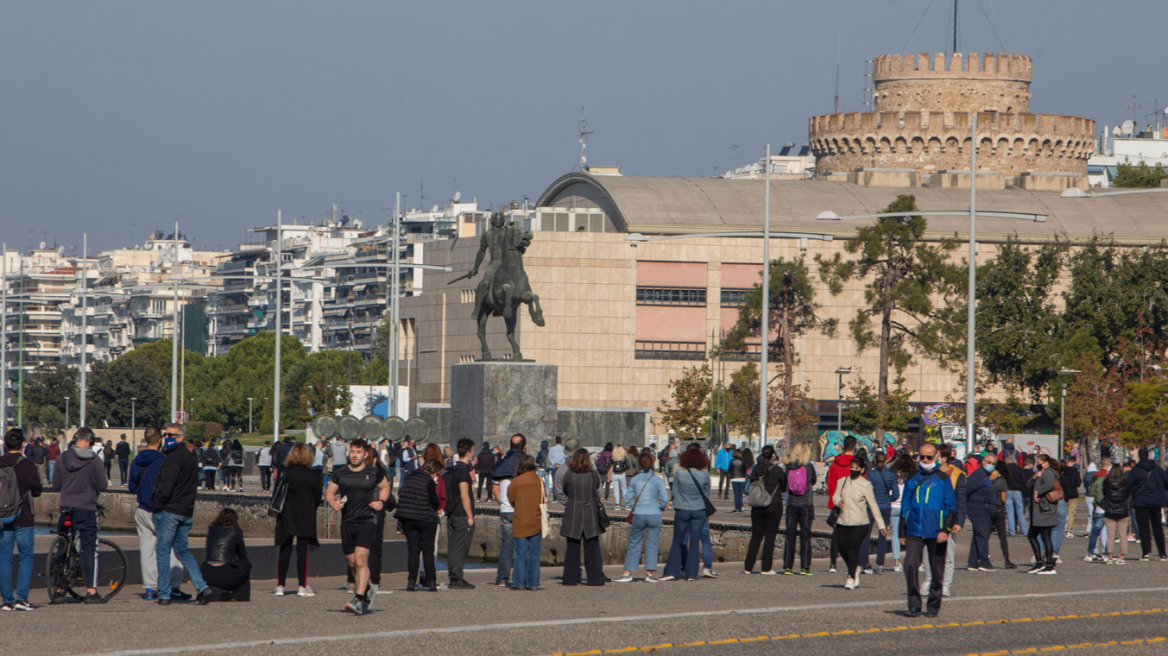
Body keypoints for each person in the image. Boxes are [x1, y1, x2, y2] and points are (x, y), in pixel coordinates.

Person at [149, 423, 214, 606]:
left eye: (170, 435)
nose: (166, 437)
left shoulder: (172, 459)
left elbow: (165, 486)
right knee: (183, 551)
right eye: (165, 434)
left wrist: (157, 505)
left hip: (170, 510)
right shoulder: (190, 457)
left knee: (163, 551)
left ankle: (164, 593)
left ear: (180, 438)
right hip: (186, 510)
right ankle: (201, 587)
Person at [326, 438, 390, 614]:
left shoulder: (373, 472)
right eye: (352, 452)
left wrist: (381, 501)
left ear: (365, 454)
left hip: (367, 521)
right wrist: (333, 502)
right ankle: (367, 588)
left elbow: (385, 487)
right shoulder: (341, 472)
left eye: (358, 452)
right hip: (348, 522)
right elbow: (330, 491)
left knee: (361, 560)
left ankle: (358, 600)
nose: (354, 456)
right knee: (352, 561)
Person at [52, 427, 110, 604]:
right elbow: (103, 485)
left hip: (67, 507)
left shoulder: (62, 458)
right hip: (86, 507)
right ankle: (91, 591)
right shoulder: (94, 460)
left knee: (63, 544)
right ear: (90, 441)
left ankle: (58, 586)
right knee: (89, 547)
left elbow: (56, 485)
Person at [899, 443, 956, 618]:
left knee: (937, 570)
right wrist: (902, 530)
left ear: (936, 457)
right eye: (922, 457)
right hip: (915, 529)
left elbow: (951, 506)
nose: (924, 460)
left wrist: (945, 530)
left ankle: (933, 604)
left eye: (928, 457)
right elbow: (905, 504)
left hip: (936, 530)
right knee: (909, 564)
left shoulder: (943, 479)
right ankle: (914, 603)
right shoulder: (912, 478)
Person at [128, 426, 184, 601]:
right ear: (160, 440)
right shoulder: (163, 461)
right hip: (160, 509)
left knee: (147, 550)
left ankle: (150, 588)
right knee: (173, 548)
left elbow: (132, 487)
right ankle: (173, 586)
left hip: (142, 509)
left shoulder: (136, 461)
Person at [0, 429, 42, 611]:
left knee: (4, 558)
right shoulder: (27, 465)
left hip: (2, 516)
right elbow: (37, 490)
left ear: (5, 444)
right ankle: (21, 598)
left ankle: (7, 600)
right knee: (25, 557)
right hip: (23, 514)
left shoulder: (0, 463)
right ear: (23, 444)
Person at [273, 443, 322, 597]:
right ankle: (302, 585)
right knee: (303, 551)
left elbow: (277, 493)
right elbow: (317, 497)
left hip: (286, 513)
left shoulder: (285, 472)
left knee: (284, 549)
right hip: (305, 513)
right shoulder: (314, 474)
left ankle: (280, 585)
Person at [833, 455, 886, 589]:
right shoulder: (843, 481)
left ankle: (851, 577)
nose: (853, 470)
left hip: (860, 522)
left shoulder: (866, 485)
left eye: (856, 468)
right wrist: (837, 502)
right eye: (851, 467)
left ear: (862, 470)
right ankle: (854, 567)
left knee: (852, 548)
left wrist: (881, 524)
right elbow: (835, 495)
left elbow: (873, 505)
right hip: (843, 520)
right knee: (842, 548)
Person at [617, 451, 669, 583]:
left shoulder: (635, 479)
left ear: (639, 464)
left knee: (634, 543)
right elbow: (664, 499)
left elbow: (627, 498)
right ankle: (649, 574)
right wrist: (659, 508)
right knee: (652, 544)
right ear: (652, 464)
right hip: (654, 514)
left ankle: (627, 572)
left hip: (639, 513)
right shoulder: (657, 480)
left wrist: (635, 506)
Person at [661, 447, 710, 582]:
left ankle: (673, 571)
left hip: (682, 508)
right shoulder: (704, 475)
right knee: (694, 542)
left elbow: (675, 493)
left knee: (677, 541)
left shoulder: (680, 474)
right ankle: (691, 573)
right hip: (699, 509)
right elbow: (706, 494)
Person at [394, 456, 442, 593]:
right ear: (434, 472)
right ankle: (431, 582)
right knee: (428, 552)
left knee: (413, 552)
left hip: (408, 518)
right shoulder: (429, 481)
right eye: (437, 474)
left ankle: (411, 582)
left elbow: (402, 494)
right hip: (426, 519)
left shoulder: (410, 477)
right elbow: (435, 503)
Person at [923, 447, 967, 597]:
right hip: (930, 519)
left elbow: (961, 500)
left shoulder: (957, 475)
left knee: (948, 555)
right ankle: (929, 580)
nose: (929, 459)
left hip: (948, 519)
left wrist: (959, 521)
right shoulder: (928, 473)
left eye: (934, 456)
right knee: (928, 553)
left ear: (943, 458)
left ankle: (945, 585)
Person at [560, 448, 605, 586]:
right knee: (591, 546)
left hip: (573, 510)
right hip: (590, 511)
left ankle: (570, 578)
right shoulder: (592, 475)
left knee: (572, 547)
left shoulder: (569, 474)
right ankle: (595, 578)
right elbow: (597, 488)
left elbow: (565, 490)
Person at [743, 445, 787, 575]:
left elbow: (750, 483)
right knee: (770, 537)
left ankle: (748, 567)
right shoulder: (778, 470)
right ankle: (766, 567)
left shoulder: (756, 468)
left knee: (756, 536)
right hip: (774, 504)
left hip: (757, 505)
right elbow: (784, 486)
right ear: (773, 455)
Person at [491, 433, 526, 587]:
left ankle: (502, 578)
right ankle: (521, 577)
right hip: (522, 509)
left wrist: (502, 503)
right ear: (524, 447)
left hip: (506, 509)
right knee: (523, 545)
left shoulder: (502, 463)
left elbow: (495, 488)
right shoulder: (526, 463)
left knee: (506, 545)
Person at [444, 439, 477, 589]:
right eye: (473, 450)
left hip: (451, 512)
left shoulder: (453, 469)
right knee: (460, 547)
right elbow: (465, 495)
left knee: (452, 546)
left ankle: (453, 575)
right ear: (469, 452)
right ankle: (457, 577)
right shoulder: (463, 473)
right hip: (461, 513)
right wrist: (470, 516)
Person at [508, 455, 544, 590]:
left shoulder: (516, 482)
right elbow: (543, 497)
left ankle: (518, 583)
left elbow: (510, 499)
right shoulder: (539, 481)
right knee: (534, 554)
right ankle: (533, 583)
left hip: (520, 520)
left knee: (520, 554)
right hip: (535, 520)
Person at [782, 442, 818, 575]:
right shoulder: (809, 466)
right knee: (806, 535)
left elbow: (785, 482)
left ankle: (788, 566)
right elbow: (813, 481)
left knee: (790, 536)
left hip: (792, 504)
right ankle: (805, 566)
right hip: (806, 504)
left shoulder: (789, 466)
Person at [199, 508, 251, 602]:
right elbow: (242, 555)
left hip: (206, 572)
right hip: (224, 574)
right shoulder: (236, 531)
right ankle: (241, 595)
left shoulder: (211, 530)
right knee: (246, 564)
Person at [1127, 447, 1168, 561]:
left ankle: (1145, 552)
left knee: (1143, 528)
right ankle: (1162, 553)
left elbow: (1128, 484)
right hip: (1156, 501)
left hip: (1141, 501)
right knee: (1157, 528)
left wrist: (1134, 493)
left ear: (1140, 456)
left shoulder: (1136, 470)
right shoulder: (1157, 470)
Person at [863, 450, 899, 574]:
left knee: (866, 535)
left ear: (874, 461)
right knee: (882, 535)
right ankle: (880, 564)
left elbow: (865, 490)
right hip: (885, 507)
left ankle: (865, 562)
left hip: (871, 507)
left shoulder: (871, 475)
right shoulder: (891, 475)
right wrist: (887, 498)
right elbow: (896, 494)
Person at [826, 436, 857, 573]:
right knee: (853, 535)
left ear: (843, 446)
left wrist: (834, 499)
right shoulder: (856, 464)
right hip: (853, 502)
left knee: (836, 534)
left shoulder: (834, 464)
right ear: (855, 446)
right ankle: (850, 563)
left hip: (837, 502)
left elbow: (830, 483)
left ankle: (833, 563)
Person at [1025, 454, 1059, 574]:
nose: (1037, 464)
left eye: (1038, 461)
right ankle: (1039, 563)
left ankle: (1049, 565)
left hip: (1045, 510)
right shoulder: (1041, 472)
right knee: (1033, 535)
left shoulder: (1048, 472)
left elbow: (1049, 485)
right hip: (1039, 511)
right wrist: (1035, 476)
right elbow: (1028, 484)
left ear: (1045, 462)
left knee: (1045, 537)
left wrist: (1037, 492)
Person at [965, 454, 999, 571]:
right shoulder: (979, 474)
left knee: (978, 535)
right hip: (978, 508)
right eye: (989, 462)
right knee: (982, 535)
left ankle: (973, 562)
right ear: (983, 462)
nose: (991, 465)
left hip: (986, 508)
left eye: (993, 463)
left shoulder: (986, 475)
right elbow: (968, 488)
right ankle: (984, 562)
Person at [887, 453, 915, 573]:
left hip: (893, 505)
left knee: (895, 534)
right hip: (907, 507)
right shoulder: (912, 475)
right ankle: (912, 560)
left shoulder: (892, 474)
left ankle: (897, 562)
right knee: (910, 534)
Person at [1098, 463, 1131, 564]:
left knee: (1110, 535)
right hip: (1122, 510)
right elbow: (1127, 494)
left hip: (1110, 510)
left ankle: (1110, 555)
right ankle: (1122, 556)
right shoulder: (1125, 482)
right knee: (1122, 535)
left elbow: (1104, 493)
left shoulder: (1106, 482)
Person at [1004, 452, 1029, 536]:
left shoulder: (1005, 469)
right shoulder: (1019, 468)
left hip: (1008, 490)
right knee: (1020, 511)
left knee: (1009, 511)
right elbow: (1023, 480)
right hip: (1018, 491)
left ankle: (1012, 531)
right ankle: (1024, 530)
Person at [610, 445, 629, 511]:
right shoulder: (624, 457)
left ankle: (617, 505)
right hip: (622, 474)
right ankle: (626, 504)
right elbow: (628, 466)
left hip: (615, 474)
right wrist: (623, 469)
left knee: (616, 490)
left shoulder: (613, 457)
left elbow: (609, 465)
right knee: (624, 489)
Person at [547, 436, 566, 502]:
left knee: (554, 482)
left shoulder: (552, 449)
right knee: (562, 482)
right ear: (561, 441)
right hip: (562, 467)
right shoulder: (564, 449)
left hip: (553, 467)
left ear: (555, 441)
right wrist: (560, 464)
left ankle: (555, 498)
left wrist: (555, 464)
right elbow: (565, 457)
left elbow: (549, 457)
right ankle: (562, 497)